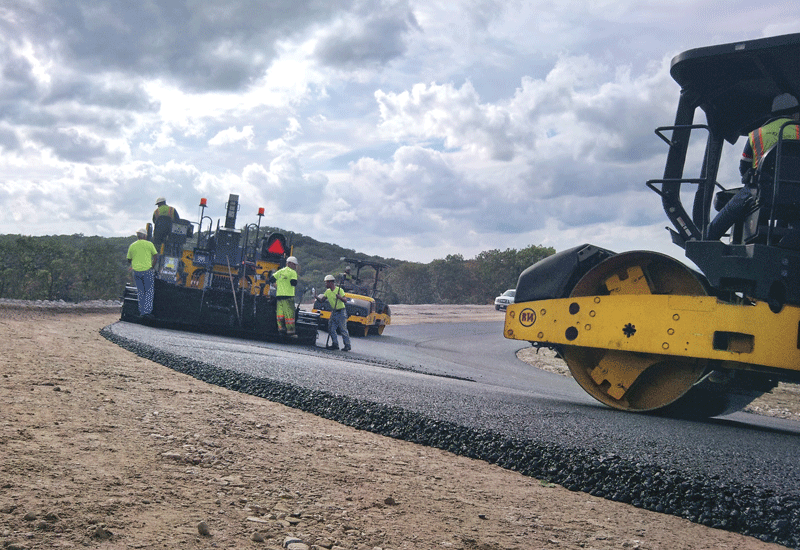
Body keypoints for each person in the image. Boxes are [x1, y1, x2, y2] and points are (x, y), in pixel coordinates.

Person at [707, 93, 800, 240]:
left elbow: (744, 168)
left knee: (732, 208)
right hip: (797, 195)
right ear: (794, 113)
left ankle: (708, 238)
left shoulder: (756, 134)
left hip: (764, 191)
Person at [126, 228, 159, 319]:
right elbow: (156, 256)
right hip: (147, 271)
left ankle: (141, 312)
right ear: (145, 236)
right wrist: (152, 266)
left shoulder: (132, 245)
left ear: (138, 236)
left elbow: (129, 259)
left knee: (140, 292)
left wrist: (135, 261)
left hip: (136, 271)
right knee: (149, 292)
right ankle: (147, 312)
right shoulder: (149, 244)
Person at [317, 274, 351, 351]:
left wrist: (340, 297)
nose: (326, 284)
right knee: (331, 328)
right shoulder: (327, 291)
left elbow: (345, 300)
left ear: (331, 283)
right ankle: (335, 344)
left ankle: (347, 345)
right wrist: (315, 296)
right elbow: (322, 300)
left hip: (341, 311)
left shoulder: (339, 290)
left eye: (326, 283)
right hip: (334, 311)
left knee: (343, 329)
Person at [270, 256, 299, 337]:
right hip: (288, 296)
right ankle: (290, 332)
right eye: (294, 265)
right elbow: (294, 283)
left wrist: (277, 285)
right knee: (289, 315)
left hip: (279, 296)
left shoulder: (280, 271)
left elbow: (271, 279)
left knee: (280, 314)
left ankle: (281, 330)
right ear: (290, 264)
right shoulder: (293, 272)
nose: (295, 267)